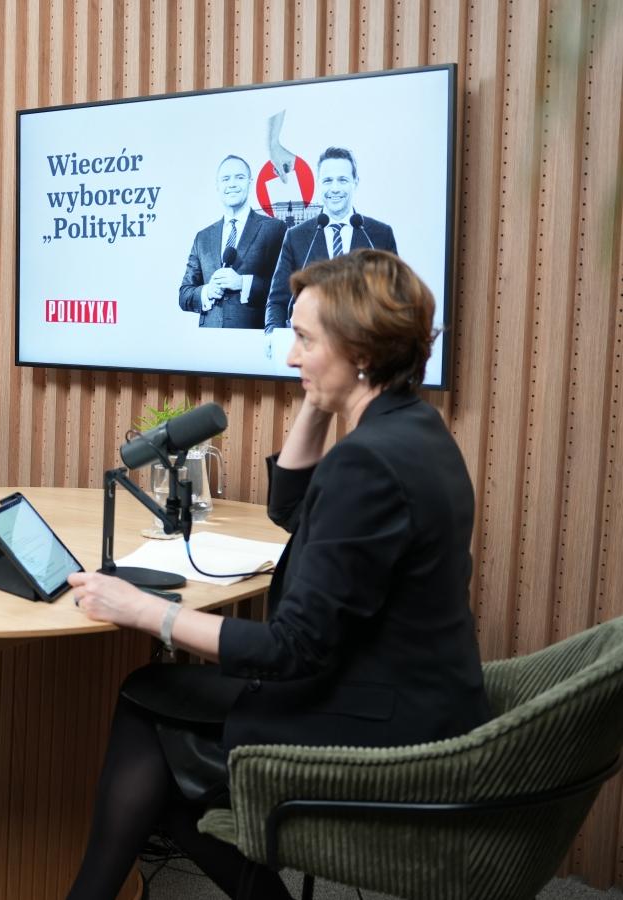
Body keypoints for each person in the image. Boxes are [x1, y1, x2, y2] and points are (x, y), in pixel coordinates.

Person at [64, 250, 490, 899]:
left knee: (148, 727)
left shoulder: (370, 462)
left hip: (378, 729)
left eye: (305, 340)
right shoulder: (416, 429)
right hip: (411, 700)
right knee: (151, 723)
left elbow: (291, 649)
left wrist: (146, 612)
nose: (291, 357)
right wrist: (321, 399)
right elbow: (291, 508)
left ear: (361, 352)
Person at [264, 147, 398, 332]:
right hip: (313, 343)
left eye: (342, 180)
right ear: (319, 184)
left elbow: (395, 297)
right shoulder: (296, 237)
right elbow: (277, 301)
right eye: (328, 181)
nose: (335, 189)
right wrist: (273, 335)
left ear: (355, 182)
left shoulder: (380, 235)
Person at [178, 155, 287, 329]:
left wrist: (243, 283)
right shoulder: (202, 237)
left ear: (250, 183)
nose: (232, 184)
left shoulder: (275, 229)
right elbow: (184, 294)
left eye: (239, 177)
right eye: (226, 179)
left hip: (253, 336)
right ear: (217, 186)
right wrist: (207, 291)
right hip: (209, 338)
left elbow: (286, 289)